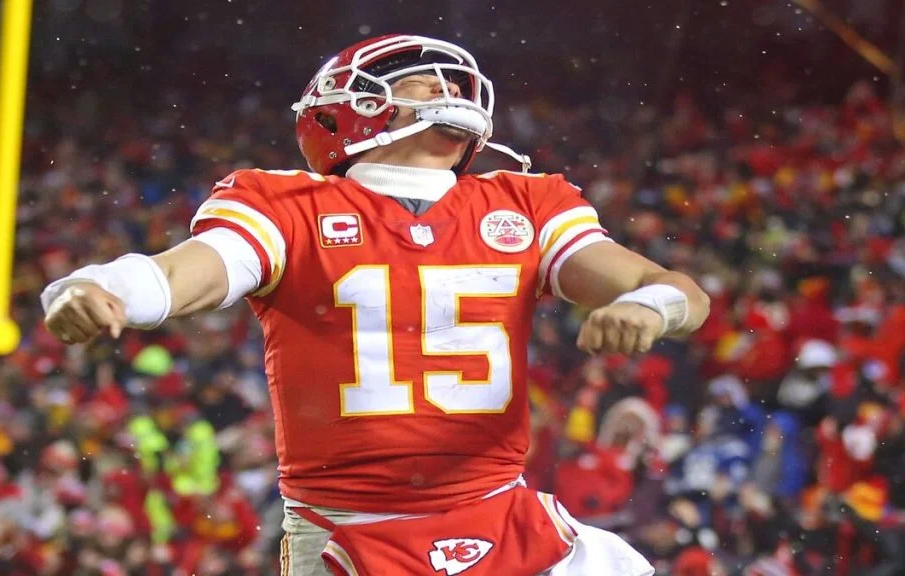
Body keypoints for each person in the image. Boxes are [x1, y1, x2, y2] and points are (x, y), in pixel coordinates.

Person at [42, 34, 710, 575]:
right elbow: (186, 273)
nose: (450, 91)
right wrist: (101, 287)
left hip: (500, 518)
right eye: (422, 81)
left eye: (454, 83)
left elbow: (679, 291)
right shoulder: (287, 205)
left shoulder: (525, 202)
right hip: (349, 531)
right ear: (350, 106)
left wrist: (649, 307)